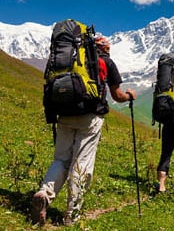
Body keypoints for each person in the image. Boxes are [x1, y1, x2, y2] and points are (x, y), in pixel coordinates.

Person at [32, 35, 137, 226]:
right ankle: (72, 215)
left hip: (64, 114)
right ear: (104, 48)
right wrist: (129, 95)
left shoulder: (71, 61)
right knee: (81, 164)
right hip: (90, 117)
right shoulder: (106, 62)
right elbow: (117, 95)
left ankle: (44, 193)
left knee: (61, 159)